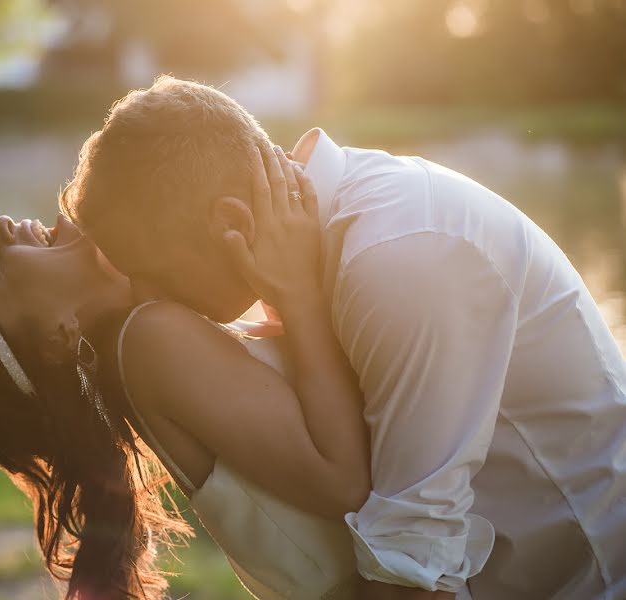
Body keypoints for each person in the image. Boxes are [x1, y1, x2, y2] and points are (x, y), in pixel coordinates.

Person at [60, 76, 626, 599]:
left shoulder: (396, 254)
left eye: (153, 274)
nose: (150, 298)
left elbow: (412, 554)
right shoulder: (326, 243)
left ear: (231, 222)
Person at [0, 148, 371, 599]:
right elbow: (342, 481)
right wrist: (299, 290)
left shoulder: (154, 328)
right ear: (60, 334)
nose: (0, 227)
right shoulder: (150, 342)